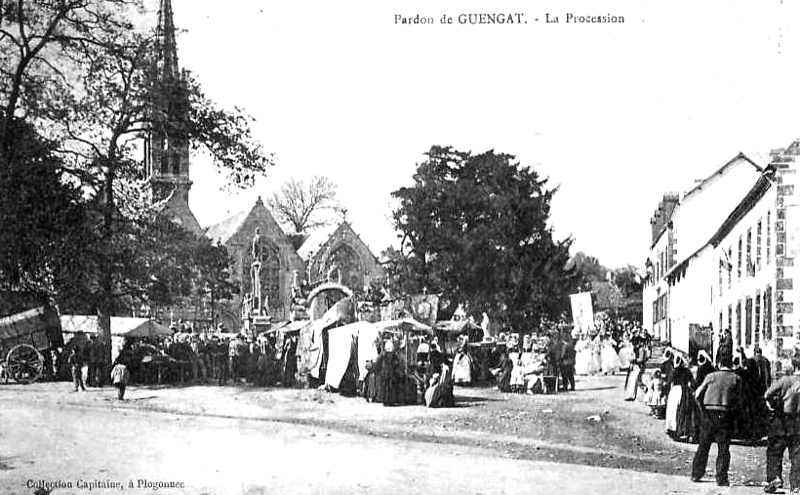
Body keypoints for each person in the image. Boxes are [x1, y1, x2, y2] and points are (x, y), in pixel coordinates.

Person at [691, 355, 743, 486]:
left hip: (709, 414)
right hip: (726, 415)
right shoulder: (736, 378)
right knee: (724, 448)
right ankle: (721, 478)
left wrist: (702, 409)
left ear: (719, 364)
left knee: (703, 445)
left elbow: (697, 394)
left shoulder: (711, 376)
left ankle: (696, 474)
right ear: (731, 364)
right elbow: (740, 399)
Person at [763, 359, 800, 494]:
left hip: (782, 420)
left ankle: (775, 480)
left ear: (794, 366)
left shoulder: (785, 380)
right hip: (798, 421)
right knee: (797, 454)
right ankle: (796, 484)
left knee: (774, 451)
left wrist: (771, 407)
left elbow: (767, 394)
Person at [665, 354, 697, 442]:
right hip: (686, 391)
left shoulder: (674, 371)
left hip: (675, 391)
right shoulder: (687, 371)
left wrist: (666, 392)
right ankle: (685, 430)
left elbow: (668, 382)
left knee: (673, 410)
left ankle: (673, 429)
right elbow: (693, 383)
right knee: (685, 411)